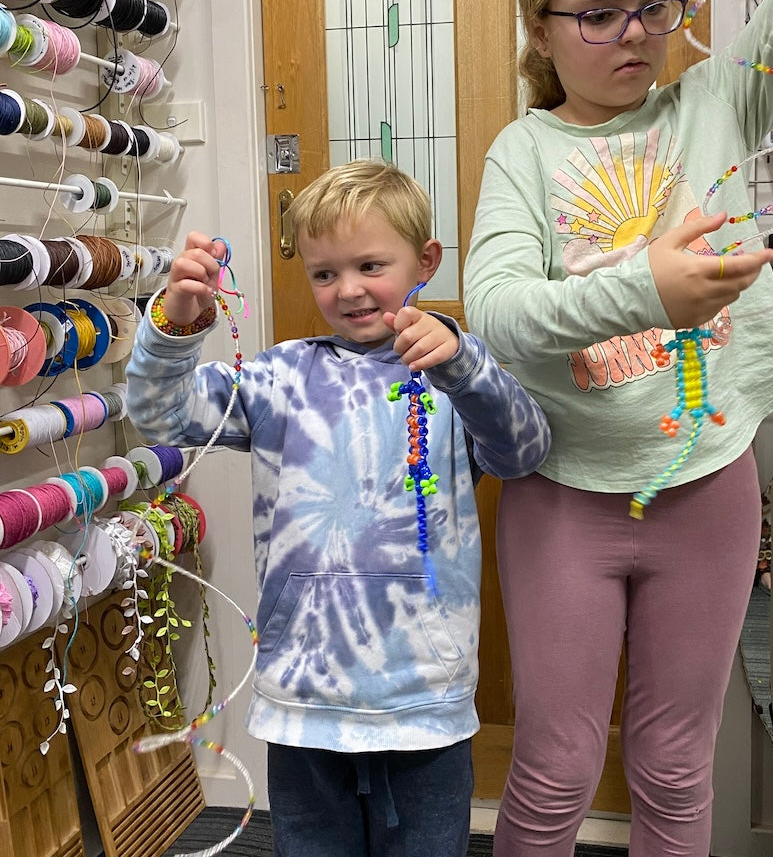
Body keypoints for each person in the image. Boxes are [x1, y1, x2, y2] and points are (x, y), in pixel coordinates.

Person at [462, 0, 773, 855]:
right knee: (555, 773)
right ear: (541, 25)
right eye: (597, 14)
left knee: (677, 770)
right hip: (565, 495)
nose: (634, 32)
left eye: (653, 5)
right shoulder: (524, 151)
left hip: (710, 489)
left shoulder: (713, 105)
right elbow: (497, 313)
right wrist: (649, 287)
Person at [126, 159, 551, 857]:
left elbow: (524, 451)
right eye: (325, 274)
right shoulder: (278, 377)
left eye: (369, 265)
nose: (348, 289)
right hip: (304, 706)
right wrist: (173, 325)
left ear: (426, 260)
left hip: (425, 705)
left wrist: (465, 367)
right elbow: (159, 414)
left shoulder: (455, 369)